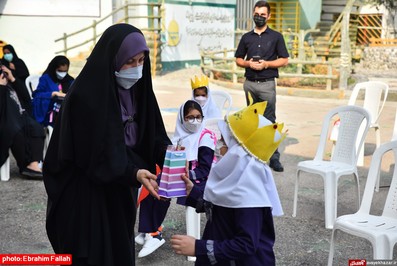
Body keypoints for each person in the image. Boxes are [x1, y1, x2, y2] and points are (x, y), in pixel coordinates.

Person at [42, 23, 171, 266]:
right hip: (86, 194)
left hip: (121, 186)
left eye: (142, 60)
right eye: (129, 61)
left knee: (119, 249)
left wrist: (171, 157)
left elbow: (153, 133)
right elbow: (95, 152)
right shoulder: (86, 96)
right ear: (112, 59)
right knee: (94, 253)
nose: (137, 68)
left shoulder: (139, 89)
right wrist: (132, 171)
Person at [171, 101, 285, 265]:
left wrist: (198, 247)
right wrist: (194, 193)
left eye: (223, 141)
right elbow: (223, 211)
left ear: (238, 151)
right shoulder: (237, 179)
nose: (218, 145)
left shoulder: (249, 194)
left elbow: (246, 244)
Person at [135, 100, 216, 258]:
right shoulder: (179, 138)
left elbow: (205, 169)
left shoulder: (205, 137)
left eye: (199, 117)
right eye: (190, 117)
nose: (195, 121)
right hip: (183, 177)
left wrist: (186, 176)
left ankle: (153, 233)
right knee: (151, 185)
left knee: (164, 187)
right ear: (181, 119)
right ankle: (150, 230)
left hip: (199, 180)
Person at [234, 0, 289, 172]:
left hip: (267, 84)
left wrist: (266, 64)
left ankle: (274, 158)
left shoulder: (276, 37)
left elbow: (284, 60)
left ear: (269, 16)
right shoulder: (246, 37)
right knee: (252, 120)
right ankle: (252, 155)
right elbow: (238, 59)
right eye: (256, 14)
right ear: (253, 14)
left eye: (263, 15)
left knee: (269, 121)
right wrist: (248, 64)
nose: (259, 17)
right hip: (249, 84)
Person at [0, 65, 45, 178]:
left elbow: (26, 97)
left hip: (20, 117)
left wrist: (13, 79)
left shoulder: (11, 84)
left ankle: (33, 164)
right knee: (16, 131)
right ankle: (26, 165)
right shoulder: (3, 86)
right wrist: (1, 87)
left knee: (36, 128)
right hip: (5, 121)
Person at [32, 55, 74, 126]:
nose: (62, 74)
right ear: (54, 68)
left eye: (65, 71)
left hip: (66, 109)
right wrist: (53, 94)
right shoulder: (46, 79)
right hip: (50, 112)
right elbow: (37, 95)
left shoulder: (69, 80)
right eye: (60, 71)